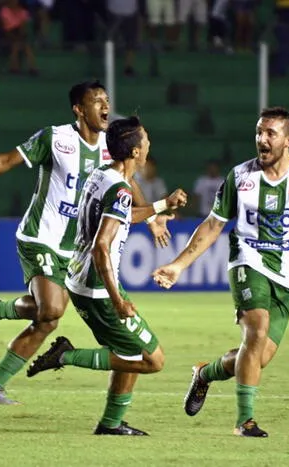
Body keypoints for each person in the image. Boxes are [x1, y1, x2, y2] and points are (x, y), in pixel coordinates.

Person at [0, 81, 174, 404]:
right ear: (79, 109)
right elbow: (5, 162)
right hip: (40, 237)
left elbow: (128, 183)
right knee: (52, 308)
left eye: (106, 99)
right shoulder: (56, 139)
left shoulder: (112, 148)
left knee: (47, 320)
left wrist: (152, 217)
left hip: (74, 250)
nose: (105, 105)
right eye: (96, 100)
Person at [152, 106, 289, 437]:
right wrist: (178, 265)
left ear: (288, 140)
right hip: (247, 262)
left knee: (258, 357)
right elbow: (213, 226)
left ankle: (205, 373)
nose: (261, 139)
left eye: (270, 133)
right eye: (259, 132)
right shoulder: (240, 177)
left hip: (287, 277)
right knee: (255, 331)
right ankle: (245, 421)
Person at [26, 116, 187, 435]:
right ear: (136, 152)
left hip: (82, 278)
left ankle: (111, 423)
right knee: (153, 360)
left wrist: (161, 206)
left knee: (128, 351)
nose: (149, 145)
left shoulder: (102, 175)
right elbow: (102, 247)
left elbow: (122, 215)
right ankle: (67, 356)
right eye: (147, 141)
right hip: (99, 288)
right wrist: (117, 300)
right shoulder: (121, 190)